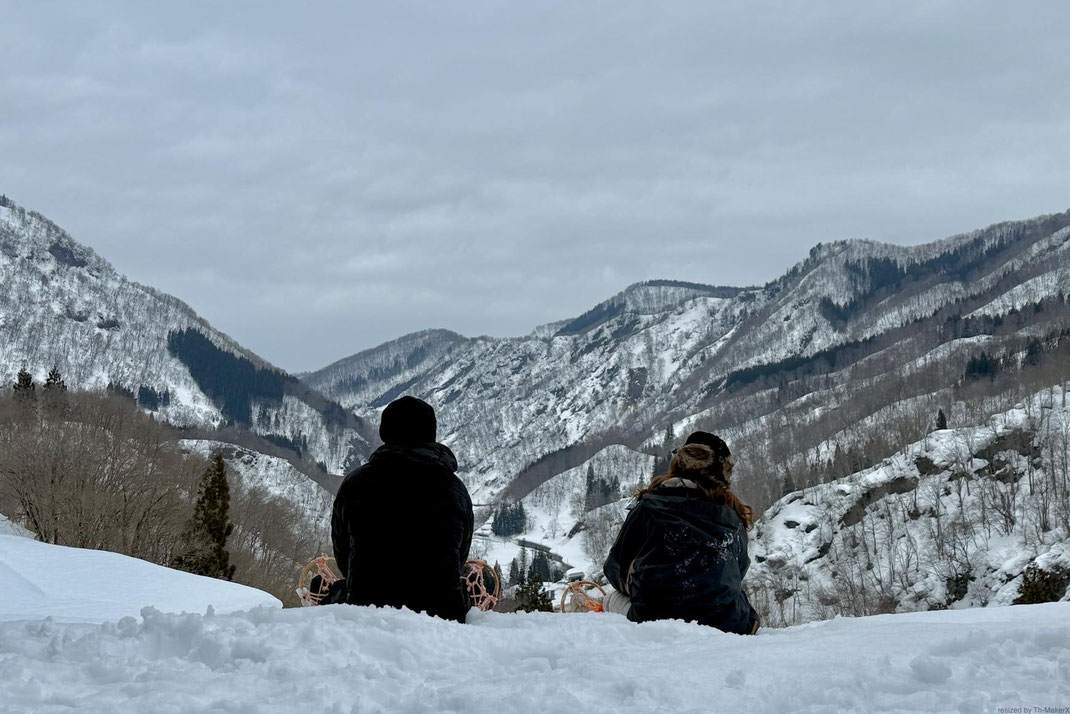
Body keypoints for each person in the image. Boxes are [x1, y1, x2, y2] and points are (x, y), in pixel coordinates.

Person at [331, 396, 474, 622]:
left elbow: (343, 555)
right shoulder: (455, 489)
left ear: (384, 432)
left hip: (367, 609)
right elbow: (460, 554)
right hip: (444, 612)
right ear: (431, 433)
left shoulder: (355, 483)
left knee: (328, 588)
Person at [602, 431, 759, 634]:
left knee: (610, 599)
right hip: (726, 622)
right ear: (723, 473)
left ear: (679, 463)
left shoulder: (648, 507)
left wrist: (642, 584)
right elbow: (739, 571)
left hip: (654, 618)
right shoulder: (732, 518)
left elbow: (614, 568)